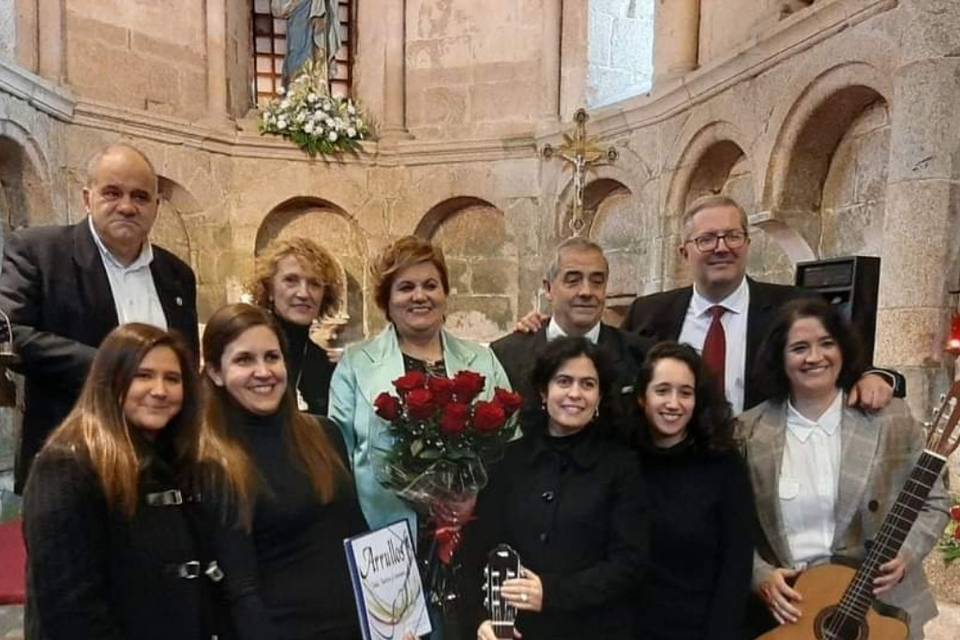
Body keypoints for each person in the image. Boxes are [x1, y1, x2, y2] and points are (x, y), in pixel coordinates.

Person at [739, 298, 950, 639]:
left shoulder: (889, 418)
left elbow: (935, 501)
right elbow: (729, 526)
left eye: (826, 343)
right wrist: (759, 574)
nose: (815, 357)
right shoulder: (748, 432)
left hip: (883, 613)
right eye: (799, 348)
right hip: (800, 616)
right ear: (779, 356)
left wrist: (908, 554)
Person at [0, 142, 199, 493]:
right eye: (112, 192)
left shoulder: (177, 274)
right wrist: (114, 368)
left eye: (140, 196)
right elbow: (10, 332)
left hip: (159, 466)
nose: (127, 206)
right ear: (87, 198)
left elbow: (186, 362)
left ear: (155, 206)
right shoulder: (39, 252)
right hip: (70, 461)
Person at [22, 323, 235, 640]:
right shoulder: (66, 465)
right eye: (143, 375)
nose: (160, 390)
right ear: (110, 381)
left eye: (172, 379)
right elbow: (70, 611)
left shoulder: (178, 461)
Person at [620, 193, 903, 414]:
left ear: (747, 243)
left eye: (732, 236)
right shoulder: (648, 313)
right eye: (706, 239)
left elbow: (850, 366)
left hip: (765, 469)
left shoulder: (796, 307)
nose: (722, 247)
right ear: (684, 252)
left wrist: (874, 378)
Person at [461, 336, 647, 640]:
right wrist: (481, 619)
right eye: (564, 381)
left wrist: (551, 592)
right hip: (516, 631)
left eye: (588, 384)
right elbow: (477, 550)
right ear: (543, 391)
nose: (575, 393)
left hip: (592, 629)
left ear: (600, 397)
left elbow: (629, 563)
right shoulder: (509, 459)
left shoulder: (621, 466)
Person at [201, 303, 367, 640]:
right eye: (244, 360)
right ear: (216, 372)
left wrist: (396, 621)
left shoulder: (325, 434)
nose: (263, 371)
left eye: (272, 357)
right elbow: (241, 591)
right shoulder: (213, 462)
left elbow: (361, 541)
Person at [328, 235, 512, 533]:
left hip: (471, 527)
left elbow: (509, 446)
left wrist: (471, 497)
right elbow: (338, 459)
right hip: (384, 535)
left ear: (444, 294)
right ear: (386, 300)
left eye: (430, 285)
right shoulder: (356, 364)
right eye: (405, 287)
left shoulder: (482, 360)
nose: (419, 296)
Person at [632, 341, 753, 640]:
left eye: (685, 392)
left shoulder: (723, 463)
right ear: (641, 398)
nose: (674, 403)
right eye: (662, 390)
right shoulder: (622, 459)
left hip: (700, 629)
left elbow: (736, 565)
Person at [491, 237, 652, 413]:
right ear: (548, 288)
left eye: (597, 282)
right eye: (573, 280)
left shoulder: (640, 356)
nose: (586, 292)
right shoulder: (505, 355)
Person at [248, 237, 342, 415]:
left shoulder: (327, 367)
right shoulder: (245, 353)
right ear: (269, 291)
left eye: (314, 284)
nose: (303, 293)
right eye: (291, 280)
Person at [271, 0, 341, 86]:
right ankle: (295, 90)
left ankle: (313, 91)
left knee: (317, 58)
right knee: (296, 54)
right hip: (298, 15)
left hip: (317, 17)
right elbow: (278, 8)